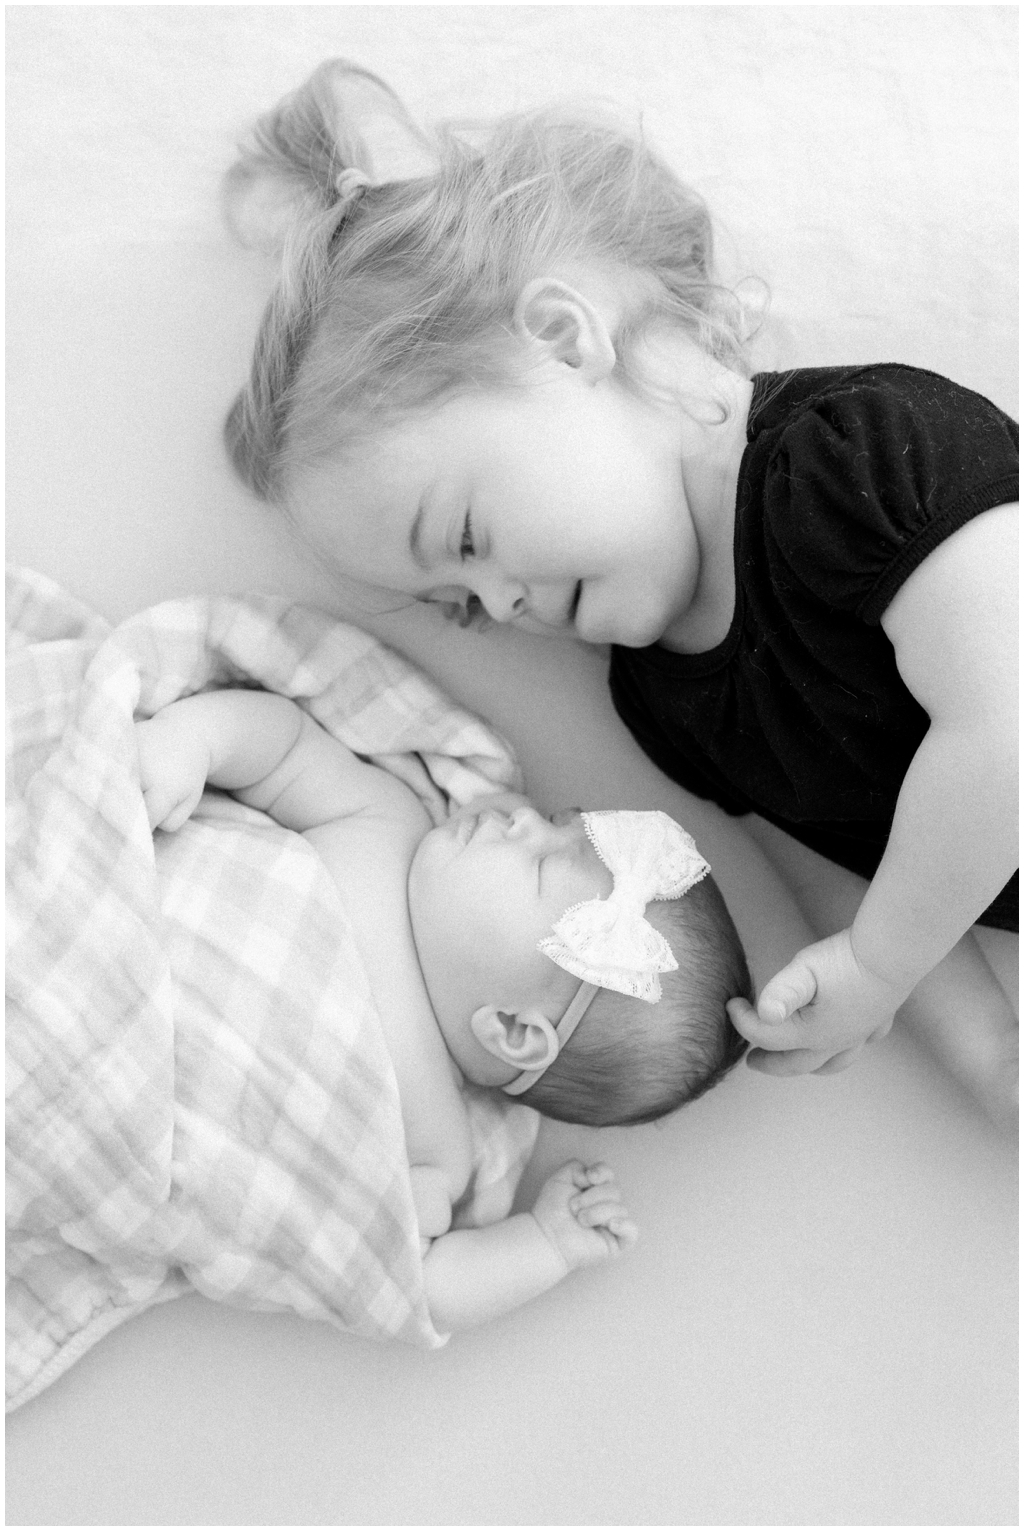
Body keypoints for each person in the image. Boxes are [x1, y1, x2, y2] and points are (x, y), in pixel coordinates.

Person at [220, 59, 1018, 1119]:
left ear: (561, 340)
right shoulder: (662, 696)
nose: (499, 607)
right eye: (459, 602)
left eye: (466, 536)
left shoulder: (853, 460)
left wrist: (878, 964)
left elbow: (1004, 727)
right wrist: (992, 1063)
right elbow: (838, 867)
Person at [135, 688, 750, 1329]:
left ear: (512, 1029)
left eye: (541, 865)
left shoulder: (435, 1143)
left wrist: (544, 1245)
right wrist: (195, 739)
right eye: (559, 820)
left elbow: (418, 1287)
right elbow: (284, 751)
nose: (525, 822)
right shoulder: (382, 825)